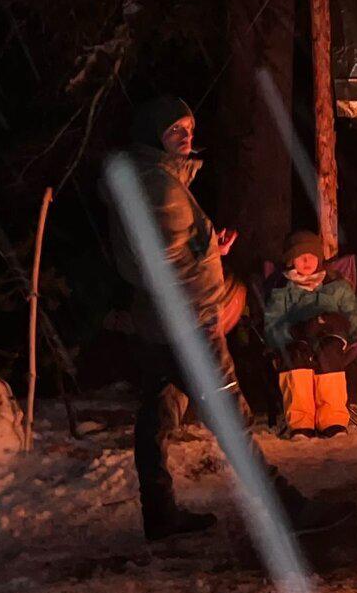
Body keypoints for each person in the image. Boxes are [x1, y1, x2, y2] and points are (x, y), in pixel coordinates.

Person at [102, 96, 333, 542]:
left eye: (190, 127)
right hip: (189, 324)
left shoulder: (153, 178)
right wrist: (214, 306)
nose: (187, 137)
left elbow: (167, 253)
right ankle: (286, 511)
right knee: (232, 416)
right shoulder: (159, 187)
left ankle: (159, 511)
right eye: (175, 130)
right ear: (154, 134)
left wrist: (212, 249)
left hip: (157, 324)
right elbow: (163, 266)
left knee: (158, 411)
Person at [263, 231, 357, 438]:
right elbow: (271, 330)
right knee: (296, 354)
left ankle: (333, 421)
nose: (306, 260)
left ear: (319, 258)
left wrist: (341, 323)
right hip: (298, 341)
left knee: (328, 351)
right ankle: (301, 424)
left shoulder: (337, 287)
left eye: (312, 255)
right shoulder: (282, 292)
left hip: (331, 338)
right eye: (300, 255)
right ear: (290, 260)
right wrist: (293, 330)